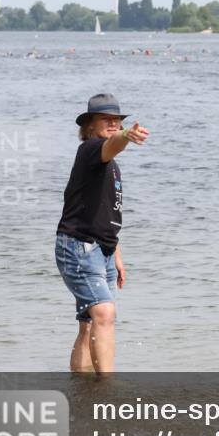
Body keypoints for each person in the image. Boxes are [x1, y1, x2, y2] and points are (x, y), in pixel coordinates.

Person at [55, 93, 149, 374]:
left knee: (90, 323)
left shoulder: (110, 165)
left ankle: (82, 388)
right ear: (90, 126)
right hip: (79, 246)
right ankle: (106, 389)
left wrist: (116, 254)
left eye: (118, 119)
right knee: (104, 314)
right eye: (106, 119)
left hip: (103, 250)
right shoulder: (91, 150)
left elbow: (107, 214)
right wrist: (125, 136)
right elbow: (113, 144)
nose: (114, 123)